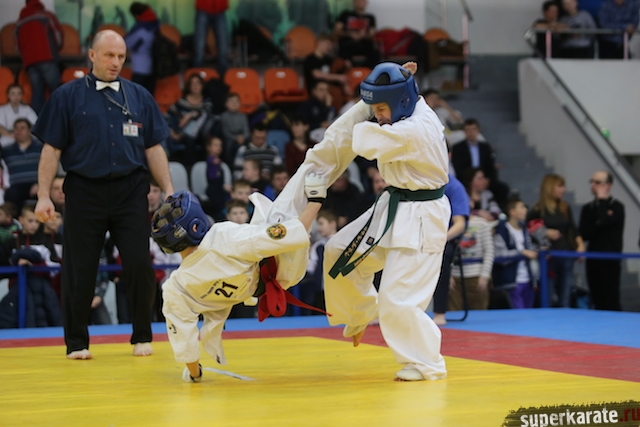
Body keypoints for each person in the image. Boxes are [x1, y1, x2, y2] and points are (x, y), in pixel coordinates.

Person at [31, 30, 174, 360]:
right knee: (79, 269)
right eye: (109, 55)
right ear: (92, 55)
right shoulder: (66, 96)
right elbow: (51, 150)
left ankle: (142, 335)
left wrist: (168, 190)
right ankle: (77, 343)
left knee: (139, 264)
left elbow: (154, 148)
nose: (116, 62)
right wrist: (43, 195)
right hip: (84, 192)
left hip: (131, 191)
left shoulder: (139, 96)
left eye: (121, 56)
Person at [323, 62, 451, 382]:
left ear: (402, 102)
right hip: (394, 204)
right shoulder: (408, 108)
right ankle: (360, 313)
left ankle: (427, 364)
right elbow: (385, 107)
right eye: (375, 108)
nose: (377, 114)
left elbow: (359, 139)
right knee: (338, 251)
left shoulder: (415, 129)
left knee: (398, 301)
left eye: (381, 108)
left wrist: (378, 99)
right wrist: (393, 86)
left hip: (422, 215)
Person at [154, 175, 326, 382]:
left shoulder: (176, 286)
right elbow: (289, 235)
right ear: (196, 225)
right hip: (284, 269)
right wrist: (316, 200)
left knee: (285, 208)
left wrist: (194, 373)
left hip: (264, 280)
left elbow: (183, 336)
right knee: (290, 201)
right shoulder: (224, 238)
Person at [527, 174, 584, 307]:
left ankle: (564, 317)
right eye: (560, 186)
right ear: (550, 188)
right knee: (547, 294)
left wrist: (580, 246)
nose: (563, 189)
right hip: (548, 257)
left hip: (566, 254)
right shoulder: (537, 210)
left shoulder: (565, 207)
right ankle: (547, 317)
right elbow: (529, 231)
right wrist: (545, 232)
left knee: (566, 295)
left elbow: (573, 228)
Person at [579, 171, 624, 310]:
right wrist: (599, 221)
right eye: (592, 182)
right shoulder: (588, 208)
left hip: (610, 257)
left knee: (610, 296)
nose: (594, 185)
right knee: (596, 294)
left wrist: (602, 202)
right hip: (593, 256)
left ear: (608, 185)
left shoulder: (617, 207)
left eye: (598, 183)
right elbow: (585, 233)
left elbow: (604, 222)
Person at [432, 164, 470, 326]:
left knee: (442, 254)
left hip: (445, 240)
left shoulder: (454, 187)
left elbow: (460, 224)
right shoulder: (418, 182)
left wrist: (441, 239)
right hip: (419, 236)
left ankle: (439, 312)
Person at [15, 0, 63, 114]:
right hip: (47, 57)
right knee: (57, 91)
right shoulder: (46, 15)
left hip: (30, 63)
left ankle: (36, 122)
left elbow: (17, 46)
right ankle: (60, 120)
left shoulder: (20, 21)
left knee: (37, 93)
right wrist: (56, 51)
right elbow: (58, 35)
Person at [451, 118, 509, 206]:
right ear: (464, 132)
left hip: (483, 178)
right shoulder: (458, 148)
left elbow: (490, 166)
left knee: (503, 189)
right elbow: (458, 168)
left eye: (473, 129)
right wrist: (472, 180)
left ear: (478, 130)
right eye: (468, 130)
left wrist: (486, 180)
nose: (471, 133)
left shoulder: (485, 147)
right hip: (466, 180)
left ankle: (498, 210)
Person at [494, 198, 538, 309]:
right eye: (522, 207)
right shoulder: (502, 230)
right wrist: (521, 252)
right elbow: (499, 255)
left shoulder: (524, 229)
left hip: (529, 279)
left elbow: (530, 248)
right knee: (518, 314)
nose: (525, 210)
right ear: (512, 212)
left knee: (528, 313)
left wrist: (537, 250)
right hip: (512, 281)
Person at [448, 206, 495, 312]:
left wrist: (485, 275)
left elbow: (489, 251)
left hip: (476, 275)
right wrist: (447, 275)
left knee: (479, 312)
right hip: (455, 278)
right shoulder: (449, 224)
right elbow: (444, 252)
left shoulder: (482, 224)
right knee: (454, 312)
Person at [166, 73, 215, 167]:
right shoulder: (182, 102)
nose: (195, 86)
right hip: (182, 134)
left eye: (198, 83)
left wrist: (190, 115)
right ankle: (190, 169)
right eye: (192, 83)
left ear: (202, 85)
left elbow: (207, 115)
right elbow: (166, 117)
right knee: (189, 138)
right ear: (189, 86)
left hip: (201, 134)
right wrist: (172, 132)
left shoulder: (206, 102)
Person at [2, 118, 43, 210]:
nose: (18, 131)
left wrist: (40, 184)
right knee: (11, 195)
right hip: (16, 186)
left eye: (22, 128)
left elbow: (49, 166)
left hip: (37, 184)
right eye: (16, 128)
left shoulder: (40, 147)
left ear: (30, 130)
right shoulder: (6, 150)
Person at [124, 2, 160, 94]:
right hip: (153, 69)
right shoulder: (155, 26)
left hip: (140, 69)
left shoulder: (140, 30)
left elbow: (126, 44)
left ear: (136, 15)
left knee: (135, 97)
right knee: (148, 98)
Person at [333, 0, 381, 68]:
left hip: (364, 44)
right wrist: (350, 34)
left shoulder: (370, 17)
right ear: (354, 2)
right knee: (344, 50)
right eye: (358, 1)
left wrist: (364, 35)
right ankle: (349, 70)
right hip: (348, 43)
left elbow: (371, 34)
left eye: (362, 1)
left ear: (366, 3)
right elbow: (337, 31)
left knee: (376, 54)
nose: (360, 2)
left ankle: (365, 71)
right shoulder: (345, 15)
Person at [193, 0, 230, 76]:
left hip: (219, 10)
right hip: (203, 8)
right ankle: (196, 78)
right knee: (199, 47)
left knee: (223, 47)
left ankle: (223, 78)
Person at [220, 93, 250, 167]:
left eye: (236, 101)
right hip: (230, 138)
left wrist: (243, 137)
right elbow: (225, 132)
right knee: (228, 144)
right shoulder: (224, 116)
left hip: (242, 137)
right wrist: (236, 138)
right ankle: (229, 166)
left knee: (249, 142)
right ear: (226, 104)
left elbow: (246, 130)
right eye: (231, 101)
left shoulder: (243, 116)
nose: (234, 103)